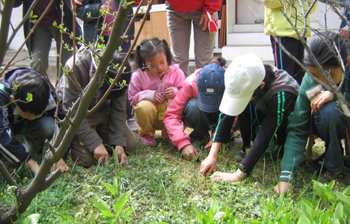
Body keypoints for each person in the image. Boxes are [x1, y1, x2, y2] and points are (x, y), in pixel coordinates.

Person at [199, 54, 299, 182]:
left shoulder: (282, 93)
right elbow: (227, 114)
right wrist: (212, 155)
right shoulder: (239, 76)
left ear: (261, 86)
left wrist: (238, 175)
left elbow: (265, 135)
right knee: (243, 105)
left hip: (284, 122)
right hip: (263, 107)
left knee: (279, 143)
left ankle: (279, 146)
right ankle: (247, 145)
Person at [274, 32, 350, 195]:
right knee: (331, 112)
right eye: (316, 76)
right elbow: (298, 128)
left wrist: (335, 94)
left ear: (347, 62)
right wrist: (286, 177)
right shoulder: (309, 82)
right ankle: (332, 164)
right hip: (329, 121)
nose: (322, 81)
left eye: (329, 75)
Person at [60, 48, 139, 167]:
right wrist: (94, 143)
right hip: (81, 116)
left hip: (103, 112)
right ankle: (78, 141)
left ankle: (101, 137)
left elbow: (119, 109)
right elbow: (71, 111)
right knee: (87, 160)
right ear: (94, 75)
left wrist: (118, 143)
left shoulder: (120, 71)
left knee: (130, 144)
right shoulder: (74, 68)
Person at [0, 68, 68, 174]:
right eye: (27, 114)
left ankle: (36, 150)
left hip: (32, 129)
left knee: (50, 125)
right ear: (14, 100)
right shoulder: (2, 96)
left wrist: (59, 155)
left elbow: (62, 120)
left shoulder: (46, 92)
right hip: (11, 129)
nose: (32, 117)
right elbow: (2, 136)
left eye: (37, 114)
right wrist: (30, 162)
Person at [163, 58, 226, 160]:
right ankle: (199, 135)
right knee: (193, 105)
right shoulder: (190, 83)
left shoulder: (229, 83)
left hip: (219, 115)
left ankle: (224, 136)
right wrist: (183, 143)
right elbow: (171, 115)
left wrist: (217, 138)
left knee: (231, 112)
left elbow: (233, 115)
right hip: (197, 115)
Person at [128, 38, 186, 146]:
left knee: (173, 102)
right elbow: (132, 98)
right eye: (152, 66)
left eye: (162, 62)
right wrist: (148, 95)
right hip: (149, 117)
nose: (159, 68)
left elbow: (185, 93)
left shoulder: (177, 72)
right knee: (143, 106)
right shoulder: (138, 76)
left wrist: (175, 91)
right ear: (144, 63)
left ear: (167, 57)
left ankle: (170, 134)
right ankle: (146, 135)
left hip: (169, 118)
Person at [14, 0, 81, 77]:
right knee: (38, 62)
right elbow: (15, 3)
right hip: (40, 23)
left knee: (66, 65)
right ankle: (37, 86)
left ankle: (62, 88)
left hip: (63, 22)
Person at [264, 0, 316, 84]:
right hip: (283, 32)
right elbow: (268, 2)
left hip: (301, 31)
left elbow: (311, 8)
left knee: (301, 78)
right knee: (285, 78)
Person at [165, 0, 222, 75]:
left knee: (204, 62)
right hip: (175, 7)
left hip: (204, 6)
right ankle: (179, 85)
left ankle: (203, 85)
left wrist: (210, 9)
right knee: (178, 62)